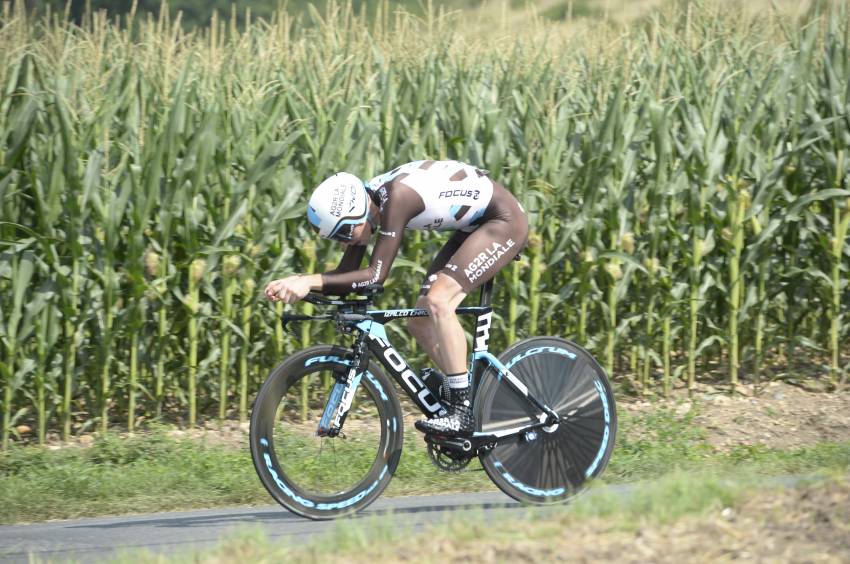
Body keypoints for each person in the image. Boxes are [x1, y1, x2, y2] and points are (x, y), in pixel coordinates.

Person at [264, 160, 528, 435]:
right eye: (335, 238)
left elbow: (375, 276)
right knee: (420, 321)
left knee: (439, 302)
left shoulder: (397, 197)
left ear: (358, 214)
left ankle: (461, 411)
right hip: (474, 227)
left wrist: (310, 282)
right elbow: (347, 276)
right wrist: (300, 281)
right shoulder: (371, 205)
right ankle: (464, 393)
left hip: (502, 221)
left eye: (343, 233)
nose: (343, 243)